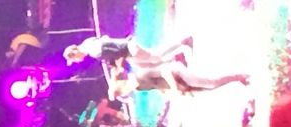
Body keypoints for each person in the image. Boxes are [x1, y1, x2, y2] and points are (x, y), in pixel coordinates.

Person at [106, 57, 250, 101]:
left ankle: (239, 76)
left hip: (177, 74)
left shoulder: (140, 75)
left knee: (211, 83)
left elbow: (164, 71)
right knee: (208, 87)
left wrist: (174, 89)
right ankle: (237, 78)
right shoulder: (139, 88)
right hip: (176, 84)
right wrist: (168, 91)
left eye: (120, 92)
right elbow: (157, 85)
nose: (123, 94)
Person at [63, 34, 193, 68]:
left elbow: (114, 51)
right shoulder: (87, 42)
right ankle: (176, 58)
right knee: (146, 65)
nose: (77, 61)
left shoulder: (93, 51)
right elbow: (106, 38)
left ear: (75, 54)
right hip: (128, 50)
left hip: (129, 50)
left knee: (155, 56)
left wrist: (117, 63)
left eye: (74, 60)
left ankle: (183, 41)